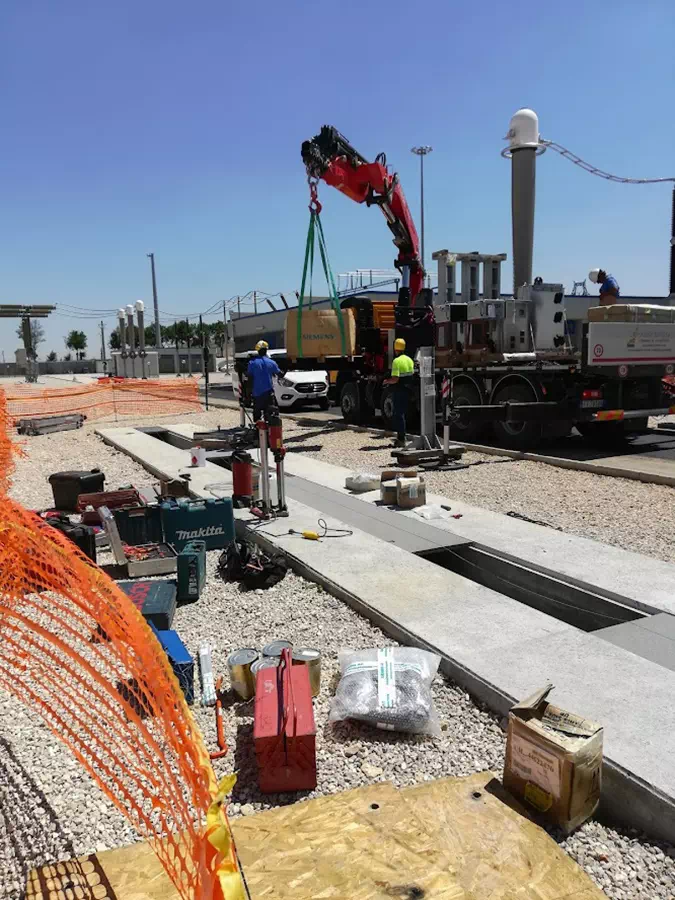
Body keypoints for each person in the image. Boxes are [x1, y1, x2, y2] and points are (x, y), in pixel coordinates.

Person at [384, 337, 414, 447]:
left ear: (396, 348)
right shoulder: (409, 360)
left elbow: (395, 379)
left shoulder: (396, 361)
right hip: (408, 391)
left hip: (399, 390)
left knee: (398, 415)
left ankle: (401, 439)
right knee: (403, 414)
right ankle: (402, 437)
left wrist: (386, 381)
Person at [247, 341, 281, 421]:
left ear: (258, 351)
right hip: (268, 393)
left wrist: (248, 394)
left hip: (257, 394)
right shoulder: (272, 363)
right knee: (270, 414)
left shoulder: (252, 363)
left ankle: (257, 431)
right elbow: (280, 374)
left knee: (257, 415)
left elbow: (250, 379)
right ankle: (268, 431)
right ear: (266, 350)